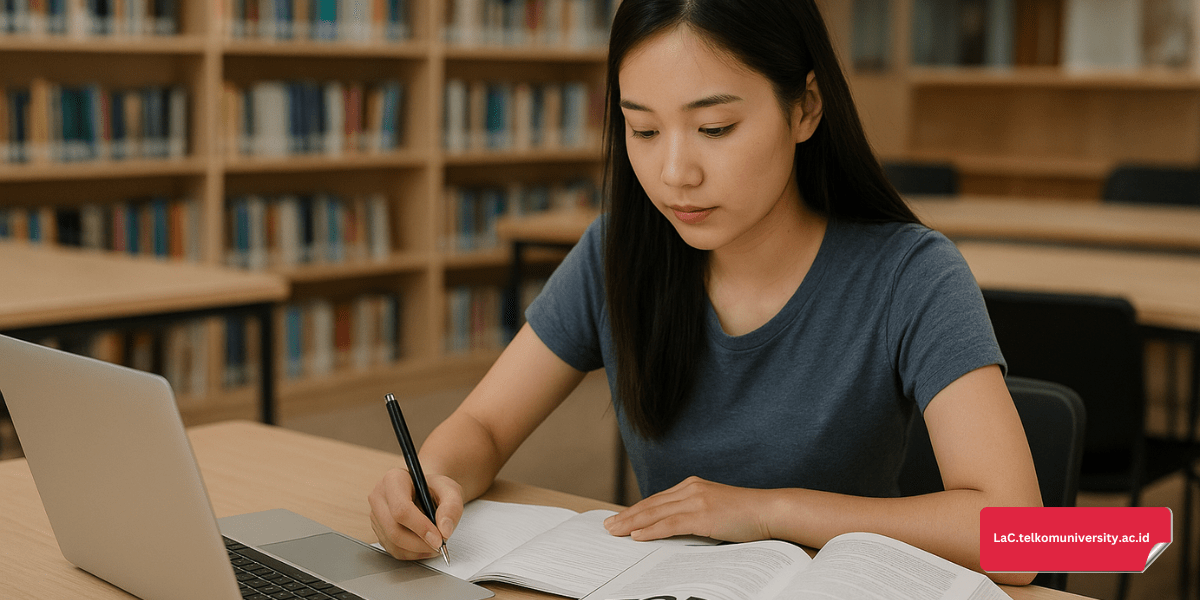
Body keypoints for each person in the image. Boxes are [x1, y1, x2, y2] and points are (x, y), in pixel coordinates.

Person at [369, 0, 1040, 585]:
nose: (673, 172)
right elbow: (484, 426)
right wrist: (432, 479)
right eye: (643, 130)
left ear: (805, 107)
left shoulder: (912, 274)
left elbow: (1034, 541)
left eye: (714, 128)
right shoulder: (616, 253)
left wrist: (768, 510)